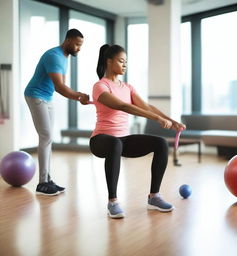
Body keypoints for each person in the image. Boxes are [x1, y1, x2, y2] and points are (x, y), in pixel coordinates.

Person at [89, 44, 186, 218]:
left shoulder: (128, 87)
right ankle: (113, 201)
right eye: (121, 61)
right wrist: (156, 119)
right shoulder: (100, 86)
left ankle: (154, 197)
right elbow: (122, 105)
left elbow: (146, 106)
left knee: (160, 144)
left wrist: (172, 122)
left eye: (126, 62)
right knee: (114, 143)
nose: (125, 65)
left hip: (123, 140)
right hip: (101, 140)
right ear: (109, 62)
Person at [25, 29, 89, 196]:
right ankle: (42, 183)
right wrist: (79, 95)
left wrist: (76, 95)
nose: (78, 48)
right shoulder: (54, 56)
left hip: (47, 96)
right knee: (45, 136)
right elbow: (60, 88)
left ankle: (47, 178)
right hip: (35, 95)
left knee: (48, 138)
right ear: (67, 40)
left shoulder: (65, 57)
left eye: (80, 45)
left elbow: (61, 86)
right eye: (76, 44)